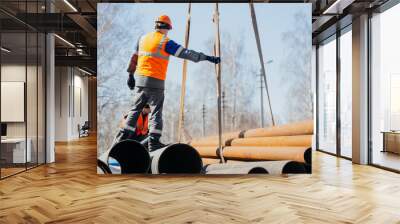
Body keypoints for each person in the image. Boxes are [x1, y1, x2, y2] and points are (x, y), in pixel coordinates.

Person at [114, 14, 220, 152]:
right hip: (156, 82)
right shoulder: (165, 42)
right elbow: (187, 53)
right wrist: (207, 57)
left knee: (135, 110)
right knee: (156, 112)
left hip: (140, 80)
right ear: (166, 28)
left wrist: (130, 75)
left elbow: (134, 57)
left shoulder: (142, 39)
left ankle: (122, 139)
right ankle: (153, 142)